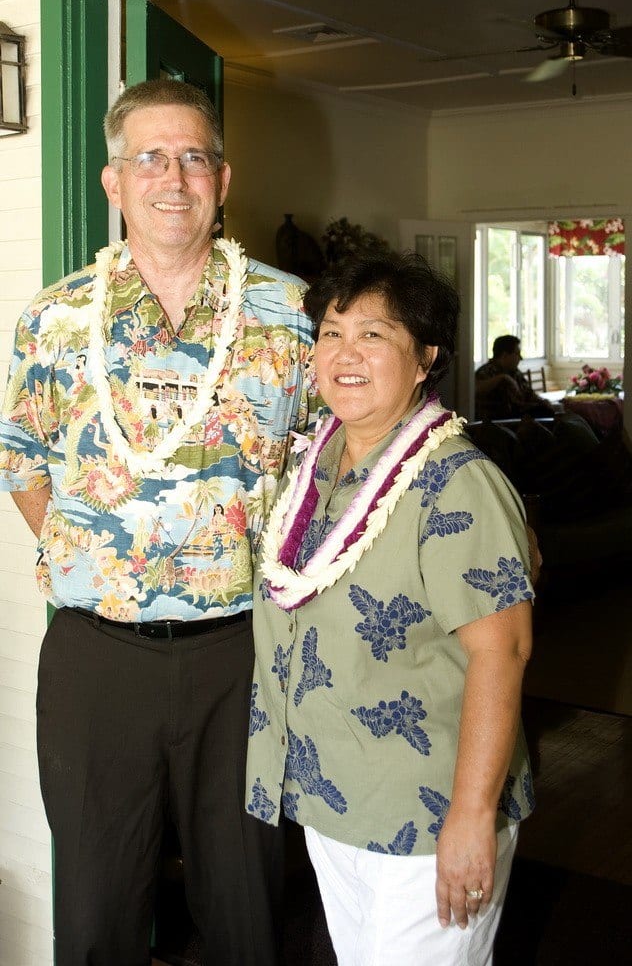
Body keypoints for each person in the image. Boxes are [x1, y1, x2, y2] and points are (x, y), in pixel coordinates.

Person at [0, 79, 319, 966]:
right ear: (113, 181)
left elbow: (328, 463)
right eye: (149, 157)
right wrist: (99, 554)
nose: (171, 178)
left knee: (245, 897)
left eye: (191, 157)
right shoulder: (56, 317)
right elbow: (20, 454)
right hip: (97, 657)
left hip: (241, 651)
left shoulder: (291, 313)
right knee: (98, 905)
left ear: (224, 176)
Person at [246, 253, 535, 965]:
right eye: (331, 333)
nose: (344, 354)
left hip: (426, 814)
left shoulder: (455, 482)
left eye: (374, 335)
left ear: (424, 358)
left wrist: (470, 818)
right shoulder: (314, 465)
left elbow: (503, 651)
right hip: (333, 796)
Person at [475, 334, 552, 420]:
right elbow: (476, 390)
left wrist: (543, 401)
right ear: (504, 356)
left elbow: (529, 394)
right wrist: (502, 377)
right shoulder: (485, 372)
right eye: (517, 354)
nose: (520, 358)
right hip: (500, 422)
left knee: (549, 411)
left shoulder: (515, 372)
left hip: (520, 416)